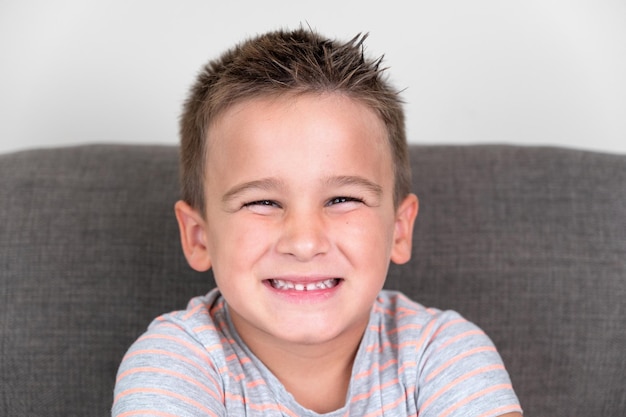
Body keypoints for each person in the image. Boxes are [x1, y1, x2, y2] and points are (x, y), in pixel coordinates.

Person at [112, 27, 522, 417]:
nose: (305, 242)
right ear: (199, 238)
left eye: (343, 199)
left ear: (398, 229)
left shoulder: (442, 351)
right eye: (264, 201)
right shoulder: (175, 361)